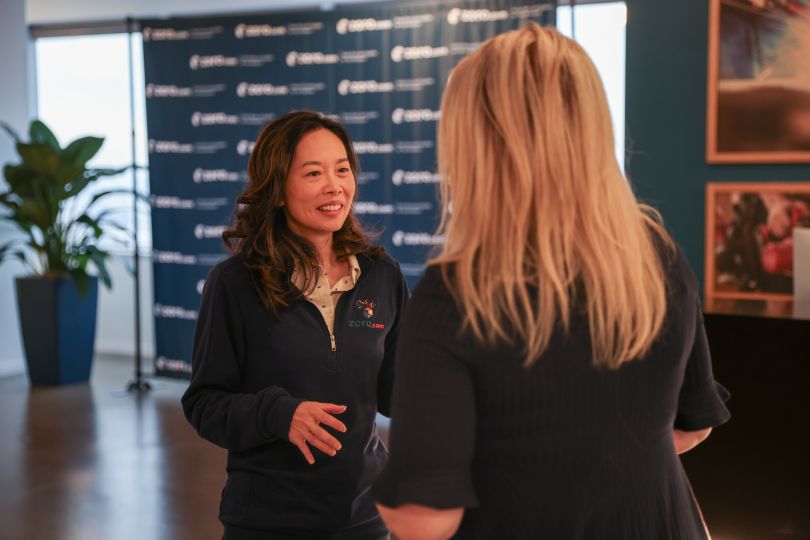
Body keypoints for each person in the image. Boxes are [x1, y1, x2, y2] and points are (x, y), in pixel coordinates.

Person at [373, 23, 730, 540]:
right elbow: (693, 424)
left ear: (475, 142)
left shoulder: (457, 294)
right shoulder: (657, 255)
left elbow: (424, 519)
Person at [182, 110, 408, 540]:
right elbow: (205, 403)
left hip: (366, 519)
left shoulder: (383, 275)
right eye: (313, 173)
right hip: (268, 522)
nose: (334, 186)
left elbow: (396, 393)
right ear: (279, 190)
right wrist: (279, 414)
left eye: (342, 169)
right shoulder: (235, 284)